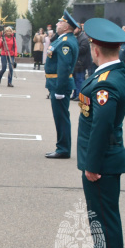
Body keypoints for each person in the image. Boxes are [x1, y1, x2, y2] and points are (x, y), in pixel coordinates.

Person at [72, 18, 125, 248]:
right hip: (105, 158)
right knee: (102, 218)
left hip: (102, 162)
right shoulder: (116, 72)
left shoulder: (107, 83)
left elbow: (101, 126)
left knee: (103, 220)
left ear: (95, 49)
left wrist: (92, 165)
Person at [44, 10, 79, 159]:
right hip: (56, 84)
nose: (57, 24)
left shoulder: (66, 42)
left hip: (60, 85)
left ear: (66, 27)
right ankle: (62, 146)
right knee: (60, 117)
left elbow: (64, 68)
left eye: (60, 22)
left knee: (61, 118)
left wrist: (59, 89)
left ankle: (63, 149)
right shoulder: (62, 39)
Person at [72, 23, 91, 100]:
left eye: (75, 28)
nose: (74, 30)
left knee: (80, 79)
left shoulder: (84, 38)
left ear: (79, 29)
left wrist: (73, 48)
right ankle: (75, 94)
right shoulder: (77, 37)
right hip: (77, 63)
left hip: (81, 63)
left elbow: (83, 49)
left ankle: (80, 95)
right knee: (75, 79)